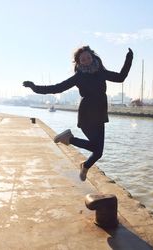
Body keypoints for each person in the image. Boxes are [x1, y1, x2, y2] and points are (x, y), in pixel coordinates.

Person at [23, 46, 133, 181]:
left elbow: (121, 77)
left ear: (92, 57)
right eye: (83, 59)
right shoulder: (79, 77)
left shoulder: (101, 72)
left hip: (100, 115)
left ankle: (82, 162)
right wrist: (35, 88)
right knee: (96, 149)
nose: (86, 60)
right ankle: (71, 143)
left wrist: (129, 59)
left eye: (88, 57)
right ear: (79, 62)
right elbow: (57, 87)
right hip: (87, 115)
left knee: (98, 152)